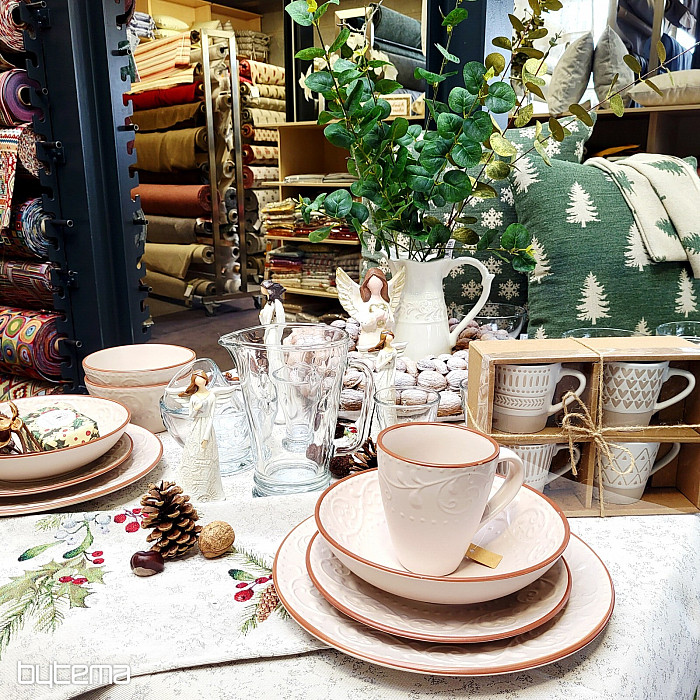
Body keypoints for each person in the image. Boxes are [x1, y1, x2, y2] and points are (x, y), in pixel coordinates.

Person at [178, 371, 225, 502]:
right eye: (197, 379)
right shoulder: (194, 397)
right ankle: (191, 485)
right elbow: (191, 416)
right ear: (194, 382)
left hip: (207, 428)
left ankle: (209, 488)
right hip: (196, 427)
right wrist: (196, 409)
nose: (200, 380)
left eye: (202, 378)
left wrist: (206, 436)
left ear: (206, 379)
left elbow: (211, 416)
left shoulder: (211, 396)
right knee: (194, 453)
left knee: (207, 454)